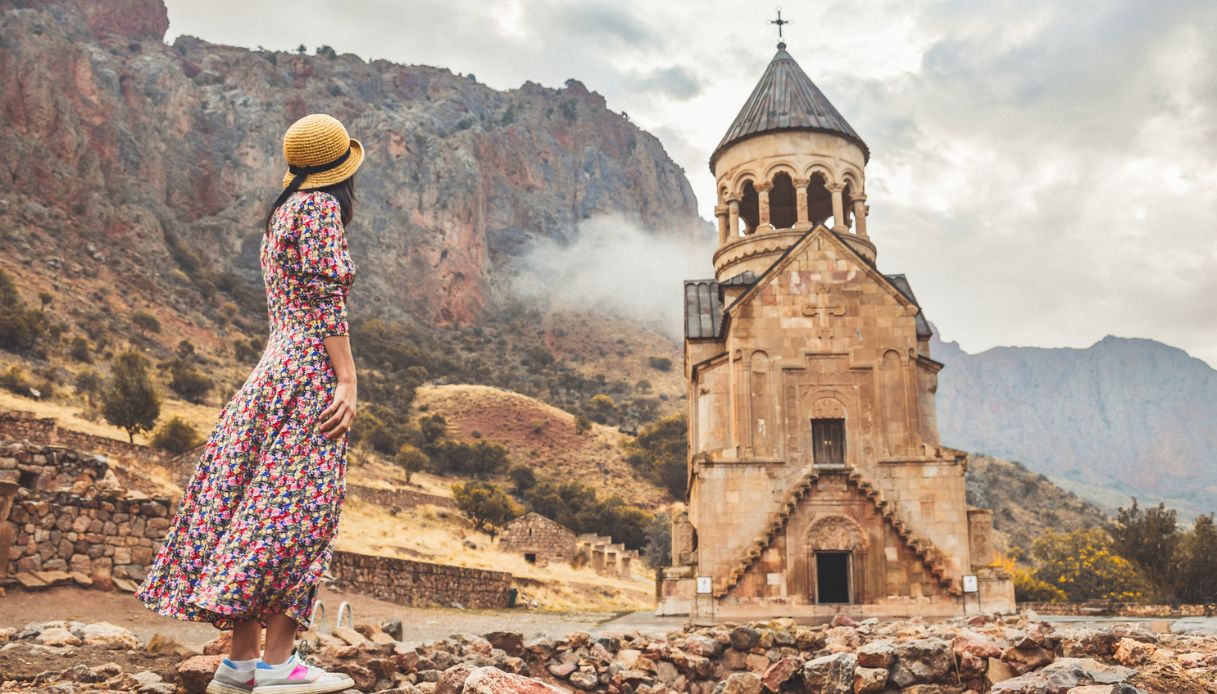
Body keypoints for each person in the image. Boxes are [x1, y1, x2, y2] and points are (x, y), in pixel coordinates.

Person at [138, 113, 363, 694]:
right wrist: (347, 380)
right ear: (341, 173)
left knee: (249, 505)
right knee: (302, 512)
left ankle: (240, 662)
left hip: (269, 373)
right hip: (308, 373)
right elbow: (324, 302)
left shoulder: (281, 214)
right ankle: (280, 662)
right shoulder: (319, 210)